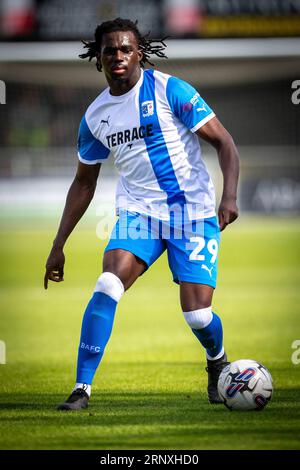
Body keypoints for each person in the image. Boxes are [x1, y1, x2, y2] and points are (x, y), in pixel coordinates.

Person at [44, 18, 239, 411]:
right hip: (140, 214)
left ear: (139, 53)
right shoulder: (95, 116)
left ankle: (217, 362)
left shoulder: (171, 90)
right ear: (98, 58)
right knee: (107, 283)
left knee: (199, 315)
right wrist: (58, 244)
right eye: (110, 50)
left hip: (193, 213)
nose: (118, 55)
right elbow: (84, 183)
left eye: (125, 49)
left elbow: (225, 142)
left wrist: (229, 196)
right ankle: (82, 389)